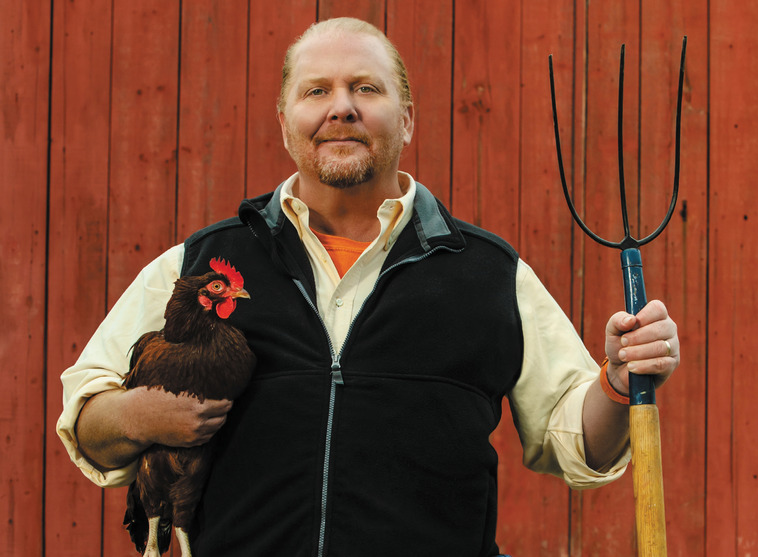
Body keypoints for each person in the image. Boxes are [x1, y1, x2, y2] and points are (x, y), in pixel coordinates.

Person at [57, 17, 680, 557]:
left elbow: (575, 443)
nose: (341, 107)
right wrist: (142, 413)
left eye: (365, 88)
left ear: (406, 119)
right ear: (284, 122)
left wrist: (619, 382)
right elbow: (86, 418)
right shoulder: (202, 262)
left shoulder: (489, 273)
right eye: (317, 91)